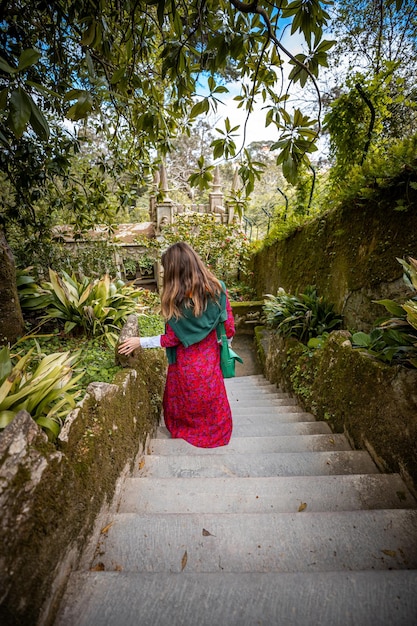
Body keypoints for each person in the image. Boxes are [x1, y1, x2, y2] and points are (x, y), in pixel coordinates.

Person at [118, 241, 236, 448]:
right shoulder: (218, 289)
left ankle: (188, 431)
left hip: (186, 364)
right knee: (212, 400)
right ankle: (217, 433)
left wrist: (140, 342)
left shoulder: (176, 301)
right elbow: (228, 329)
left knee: (183, 402)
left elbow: (171, 339)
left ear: (174, 272)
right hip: (209, 362)